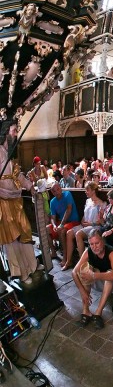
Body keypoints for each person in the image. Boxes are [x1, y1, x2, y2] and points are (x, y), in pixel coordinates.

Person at [0, 120, 40, 283]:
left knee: (25, 230)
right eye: (14, 130)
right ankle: (21, 273)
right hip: (3, 200)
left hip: (15, 198)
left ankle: (33, 265)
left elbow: (18, 175)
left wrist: (30, 186)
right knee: (12, 237)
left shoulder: (9, 152)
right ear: (5, 133)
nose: (16, 134)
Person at [72, 229, 113, 330]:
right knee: (84, 270)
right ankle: (86, 311)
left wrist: (94, 276)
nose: (94, 247)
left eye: (97, 243)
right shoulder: (88, 251)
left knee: (109, 273)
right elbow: (74, 272)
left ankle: (98, 313)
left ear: (103, 241)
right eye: (91, 244)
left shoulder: (111, 252)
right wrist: (82, 292)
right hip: (102, 284)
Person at [66, 181, 106, 271]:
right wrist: (82, 221)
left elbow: (101, 222)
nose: (85, 191)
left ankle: (83, 263)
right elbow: (85, 214)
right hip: (85, 225)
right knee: (69, 233)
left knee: (78, 234)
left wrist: (90, 224)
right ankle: (68, 260)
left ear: (93, 191)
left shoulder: (101, 204)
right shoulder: (88, 201)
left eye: (87, 190)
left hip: (94, 227)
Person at [46, 183, 80, 261]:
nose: (57, 192)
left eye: (58, 189)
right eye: (54, 191)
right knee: (47, 228)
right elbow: (52, 217)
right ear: (52, 193)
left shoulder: (67, 194)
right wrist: (54, 225)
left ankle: (65, 257)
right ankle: (53, 252)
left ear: (61, 189)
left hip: (73, 221)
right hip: (62, 222)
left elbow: (69, 209)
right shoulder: (52, 202)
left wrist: (61, 225)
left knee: (62, 230)